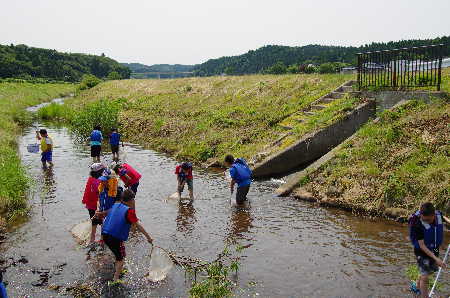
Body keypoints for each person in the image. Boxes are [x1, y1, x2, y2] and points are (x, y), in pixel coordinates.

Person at [98, 189, 153, 282]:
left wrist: (100, 214)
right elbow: (138, 225)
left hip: (105, 234)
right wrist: (149, 238)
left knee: (119, 252)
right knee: (121, 259)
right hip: (114, 237)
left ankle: (118, 268)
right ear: (132, 200)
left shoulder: (116, 205)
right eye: (133, 200)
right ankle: (115, 279)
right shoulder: (129, 211)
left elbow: (107, 214)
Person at [409, 202, 446, 297]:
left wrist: (439, 250)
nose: (426, 222)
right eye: (424, 220)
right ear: (421, 215)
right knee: (425, 277)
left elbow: (442, 220)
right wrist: (436, 259)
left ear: (433, 215)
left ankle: (416, 286)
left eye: (428, 220)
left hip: (435, 248)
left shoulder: (437, 215)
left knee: (429, 271)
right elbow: (421, 245)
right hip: (421, 250)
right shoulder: (418, 223)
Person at [82, 163, 104, 244]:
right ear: (100, 172)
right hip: (97, 206)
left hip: (90, 205)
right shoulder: (99, 182)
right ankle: (102, 238)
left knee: (94, 221)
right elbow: (101, 193)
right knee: (102, 221)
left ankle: (92, 238)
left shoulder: (90, 179)